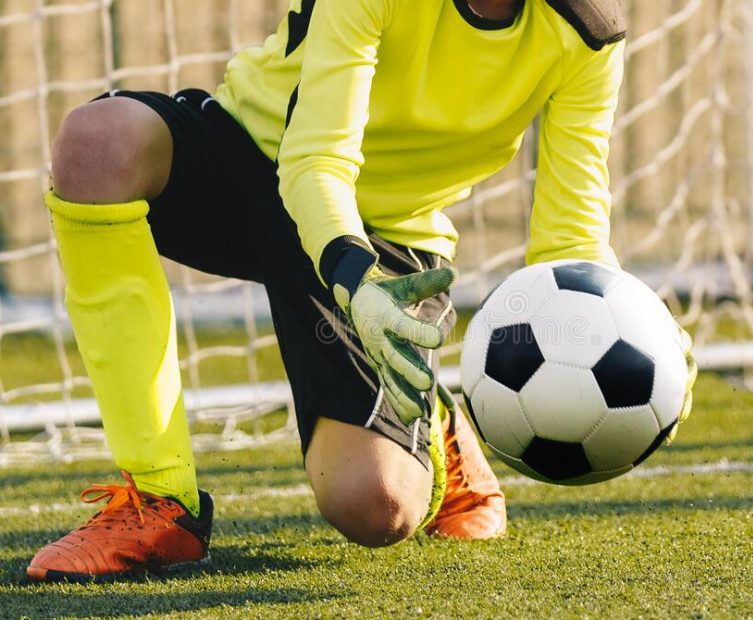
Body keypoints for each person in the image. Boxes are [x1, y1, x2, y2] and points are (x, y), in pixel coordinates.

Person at [26, 0, 672, 582]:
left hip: (390, 233)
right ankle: (162, 503)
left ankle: (435, 425)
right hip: (257, 158)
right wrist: (348, 274)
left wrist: (658, 354)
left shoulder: (587, 32)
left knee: (376, 507)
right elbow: (316, 161)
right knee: (98, 144)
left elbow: (569, 241)